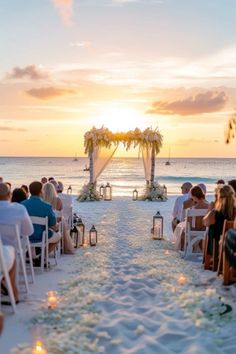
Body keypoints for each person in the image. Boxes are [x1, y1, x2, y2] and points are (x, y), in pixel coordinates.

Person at [0, 183, 33, 302]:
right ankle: (14, 294)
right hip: (9, 253)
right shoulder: (19, 209)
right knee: (11, 252)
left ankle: (4, 282)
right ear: (9, 195)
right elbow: (28, 231)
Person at [22, 181, 61, 257]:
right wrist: (56, 229)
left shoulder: (22, 204)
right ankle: (42, 256)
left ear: (30, 191)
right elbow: (53, 224)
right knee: (58, 236)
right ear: (41, 191)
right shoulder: (47, 206)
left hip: (25, 236)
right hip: (41, 236)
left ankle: (33, 254)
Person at [203, 185, 236, 268]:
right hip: (233, 245)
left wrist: (210, 212)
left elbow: (205, 223)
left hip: (218, 245)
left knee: (210, 231)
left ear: (219, 198)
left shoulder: (216, 213)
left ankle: (211, 260)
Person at [174, 185, 208, 250]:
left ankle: (183, 248)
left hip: (193, 231)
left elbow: (188, 223)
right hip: (204, 230)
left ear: (194, 196)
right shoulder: (208, 206)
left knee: (182, 230)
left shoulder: (193, 208)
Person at [42, 183, 74, 254]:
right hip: (54, 225)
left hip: (42, 228)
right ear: (53, 190)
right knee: (61, 223)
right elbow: (59, 217)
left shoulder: (41, 201)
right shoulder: (57, 200)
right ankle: (45, 253)